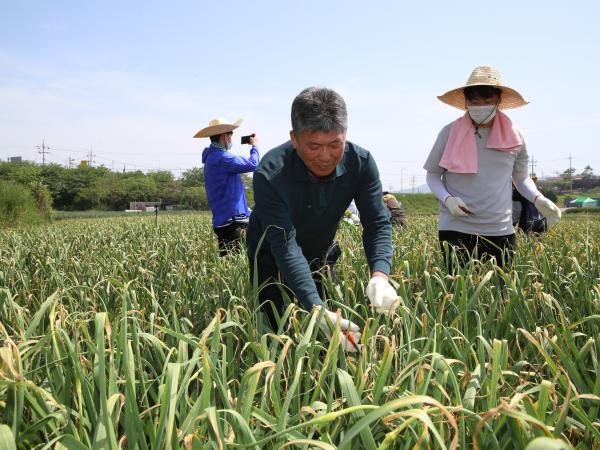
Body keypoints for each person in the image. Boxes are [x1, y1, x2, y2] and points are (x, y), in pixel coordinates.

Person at [246, 87, 399, 351]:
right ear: (294, 138)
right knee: (279, 334)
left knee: (338, 333)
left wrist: (380, 274)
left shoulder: (361, 163)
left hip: (320, 254)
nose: (325, 157)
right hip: (271, 257)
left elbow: (376, 223)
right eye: (314, 146)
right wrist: (315, 308)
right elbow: (285, 244)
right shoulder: (270, 172)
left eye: (334, 145)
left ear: (345, 136)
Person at [424, 65, 561, 271]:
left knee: (499, 295)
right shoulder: (449, 132)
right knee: (458, 294)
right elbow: (433, 175)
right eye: (474, 101)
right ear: (466, 102)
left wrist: (537, 198)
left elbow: (521, 178)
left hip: (500, 228)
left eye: (487, 101)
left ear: (498, 101)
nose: (480, 106)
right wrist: (448, 199)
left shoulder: (515, 136)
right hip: (455, 226)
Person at [194, 118, 259, 256]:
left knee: (227, 264)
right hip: (233, 223)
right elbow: (253, 164)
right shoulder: (223, 158)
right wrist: (255, 146)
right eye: (231, 134)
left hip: (222, 222)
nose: (231, 137)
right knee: (238, 265)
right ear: (224, 136)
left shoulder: (211, 158)